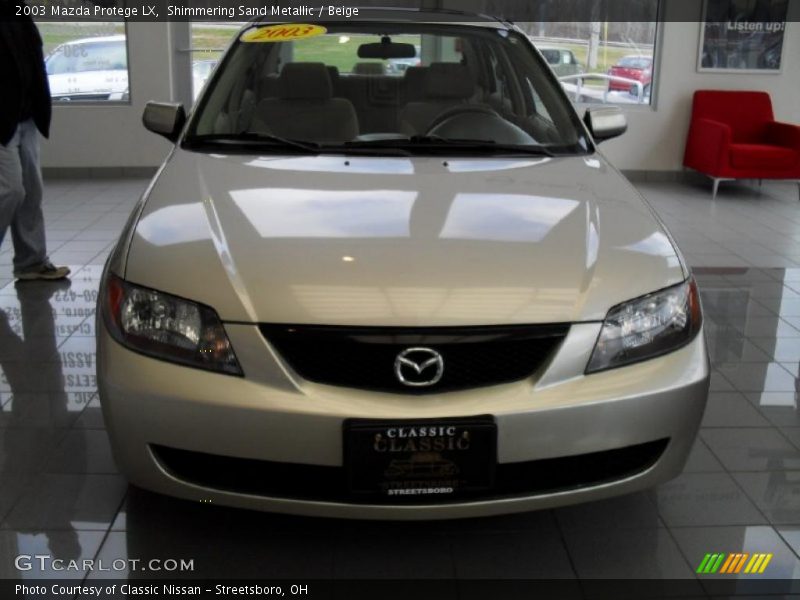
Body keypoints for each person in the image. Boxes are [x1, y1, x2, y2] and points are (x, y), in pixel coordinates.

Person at [0, 2, 70, 280]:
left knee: (31, 191)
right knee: (10, 191)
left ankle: (31, 262)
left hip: (26, 117)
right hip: (3, 121)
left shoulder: (18, 12)